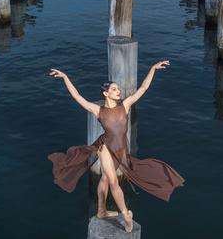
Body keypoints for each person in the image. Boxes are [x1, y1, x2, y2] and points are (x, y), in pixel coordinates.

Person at [47, 60, 185, 233]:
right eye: (114, 89)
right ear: (105, 93)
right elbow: (77, 96)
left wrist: (152, 69)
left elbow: (143, 88)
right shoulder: (98, 110)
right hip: (105, 146)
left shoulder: (125, 106)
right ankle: (126, 215)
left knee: (104, 178)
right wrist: (65, 77)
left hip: (121, 148)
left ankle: (101, 210)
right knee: (113, 180)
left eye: (118, 88)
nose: (118, 90)